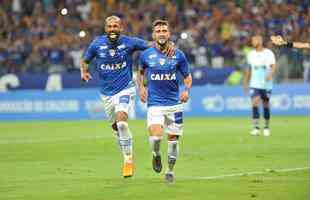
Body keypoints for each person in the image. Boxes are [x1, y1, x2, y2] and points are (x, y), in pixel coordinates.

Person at [80, 15, 173, 178]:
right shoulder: (97, 44)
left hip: (125, 89)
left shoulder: (129, 42)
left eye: (115, 26)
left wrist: (166, 44)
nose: (112, 29)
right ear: (105, 29)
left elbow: (150, 45)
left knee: (122, 123)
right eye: (109, 27)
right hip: (106, 94)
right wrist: (84, 71)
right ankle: (126, 152)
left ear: (121, 28)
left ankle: (128, 160)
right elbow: (85, 60)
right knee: (116, 128)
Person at [137, 20, 192, 183]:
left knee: (173, 143)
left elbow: (187, 76)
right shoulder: (146, 54)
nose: (161, 33)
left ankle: (170, 171)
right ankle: (156, 155)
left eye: (164, 30)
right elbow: (140, 72)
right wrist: (141, 87)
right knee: (156, 138)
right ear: (154, 35)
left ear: (168, 34)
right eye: (158, 31)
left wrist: (186, 91)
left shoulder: (178, 55)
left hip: (175, 104)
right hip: (155, 104)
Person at [243, 35, 277, 136]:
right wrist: (245, 83)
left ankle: (266, 126)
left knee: (266, 104)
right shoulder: (251, 54)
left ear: (260, 41)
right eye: (252, 40)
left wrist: (270, 75)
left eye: (255, 40)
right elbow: (249, 69)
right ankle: (256, 127)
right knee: (255, 102)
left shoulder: (268, 53)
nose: (253, 42)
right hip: (254, 83)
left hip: (266, 84)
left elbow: (274, 66)